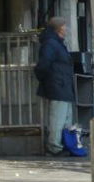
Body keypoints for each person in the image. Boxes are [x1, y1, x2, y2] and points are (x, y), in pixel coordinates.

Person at [34, 16, 80, 156]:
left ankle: (63, 144)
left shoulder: (56, 43)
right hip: (57, 85)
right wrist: (42, 77)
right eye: (65, 26)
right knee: (57, 119)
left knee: (65, 119)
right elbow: (44, 64)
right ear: (59, 28)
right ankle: (54, 146)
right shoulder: (51, 44)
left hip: (62, 85)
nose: (66, 29)